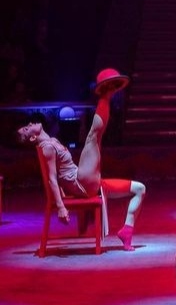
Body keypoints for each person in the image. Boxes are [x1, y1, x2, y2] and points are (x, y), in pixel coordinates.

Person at [16, 69, 145, 251]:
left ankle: (126, 232)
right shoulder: (47, 148)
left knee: (140, 188)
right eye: (26, 129)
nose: (29, 124)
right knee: (94, 136)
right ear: (31, 138)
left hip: (88, 182)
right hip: (82, 183)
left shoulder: (52, 141)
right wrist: (61, 207)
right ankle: (106, 94)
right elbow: (52, 179)